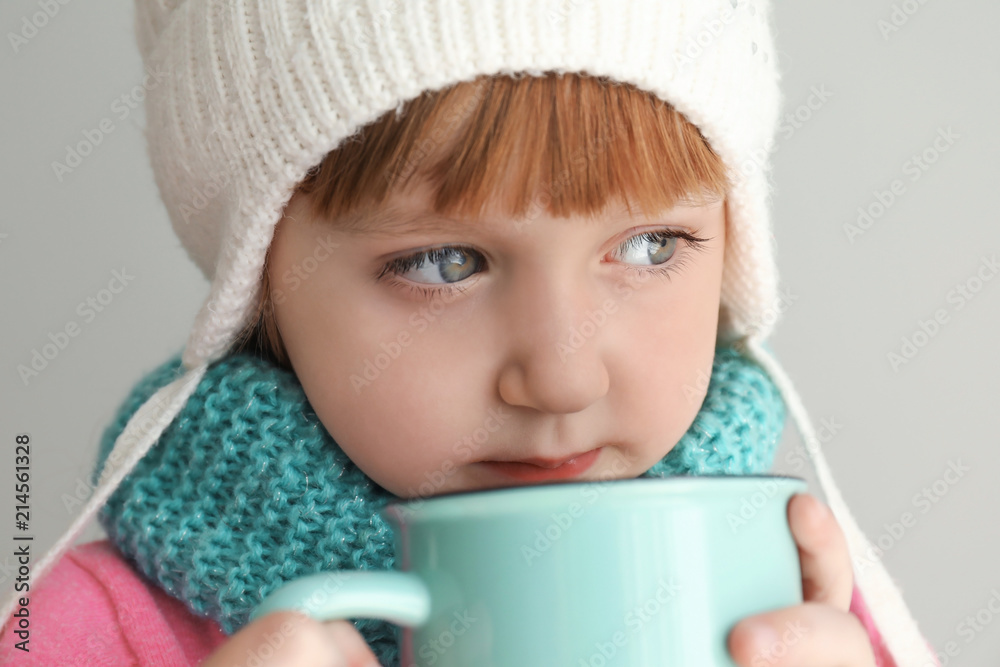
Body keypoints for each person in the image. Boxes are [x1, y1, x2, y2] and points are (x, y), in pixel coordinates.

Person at [0, 1, 941, 665]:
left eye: (652, 245)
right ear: (260, 291)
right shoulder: (85, 630)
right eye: (444, 263)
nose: (562, 376)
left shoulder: (799, 617)